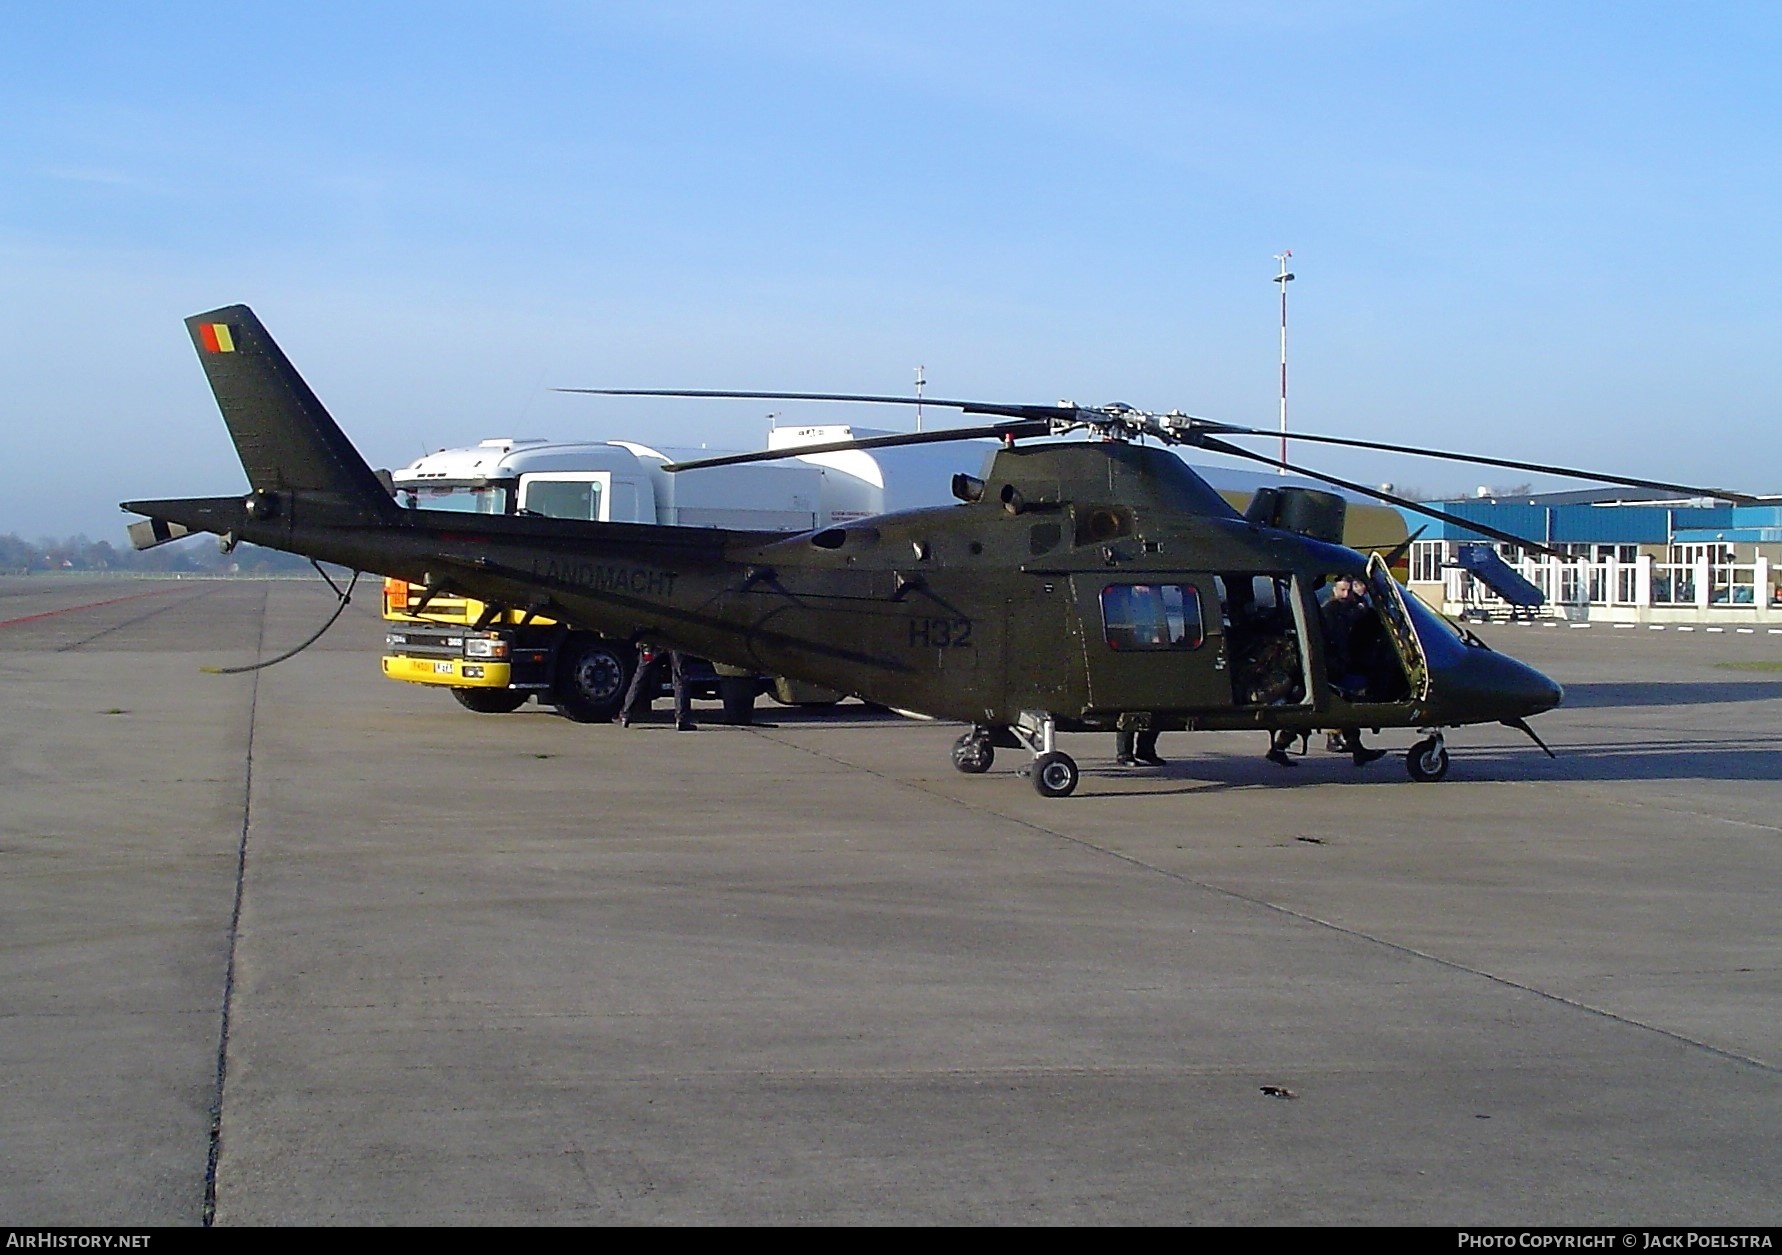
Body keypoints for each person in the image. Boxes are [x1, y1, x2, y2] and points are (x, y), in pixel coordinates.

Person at [1320, 574, 1386, 766]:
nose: (1346, 594)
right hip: (1332, 668)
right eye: (1342, 590)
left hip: (1339, 665)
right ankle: (1354, 749)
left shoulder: (1351, 608)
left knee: (1343, 708)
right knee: (1344, 705)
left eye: (1349, 590)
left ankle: (1357, 750)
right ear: (1334, 590)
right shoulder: (1332, 611)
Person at [618, 642, 695, 731]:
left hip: (654, 641)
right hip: (676, 641)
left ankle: (626, 714)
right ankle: (682, 719)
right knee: (680, 675)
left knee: (643, 670)